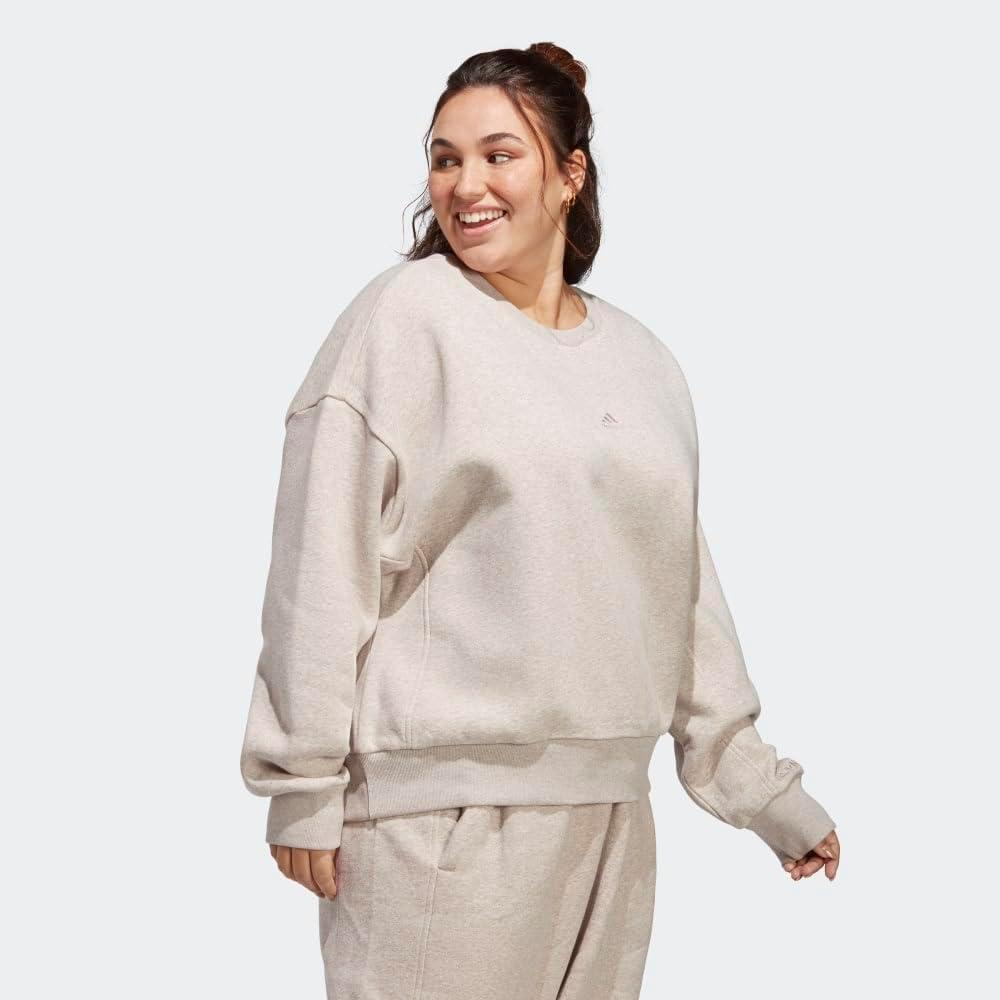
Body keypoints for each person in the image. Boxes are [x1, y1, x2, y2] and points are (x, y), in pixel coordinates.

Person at [239, 41, 840, 1000]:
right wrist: (302, 785)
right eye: (445, 159)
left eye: (499, 154)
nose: (466, 184)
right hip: (440, 823)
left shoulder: (643, 361)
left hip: (611, 815)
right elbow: (320, 563)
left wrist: (760, 791)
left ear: (570, 175)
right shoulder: (403, 320)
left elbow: (676, 591)